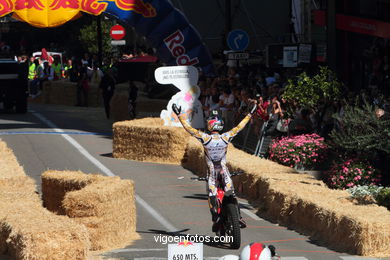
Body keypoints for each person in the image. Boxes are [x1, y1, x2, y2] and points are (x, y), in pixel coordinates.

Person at [172, 101, 257, 231]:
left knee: (212, 194)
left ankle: (216, 218)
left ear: (209, 125)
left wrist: (179, 115)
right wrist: (250, 114)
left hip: (212, 173)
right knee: (231, 194)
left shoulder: (205, 138)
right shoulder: (226, 137)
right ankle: (238, 217)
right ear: (221, 125)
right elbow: (240, 127)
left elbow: (188, 129)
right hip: (224, 171)